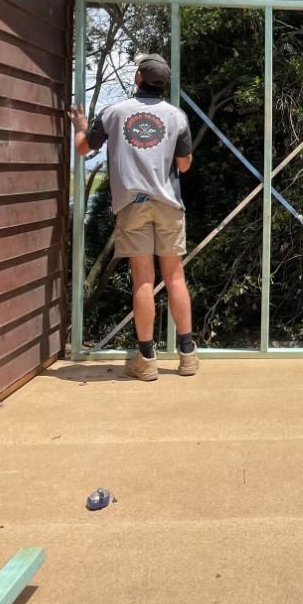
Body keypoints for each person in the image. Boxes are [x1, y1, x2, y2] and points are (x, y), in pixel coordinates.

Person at [69, 53, 199, 381]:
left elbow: (84, 148)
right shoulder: (176, 116)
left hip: (133, 205)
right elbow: (184, 165)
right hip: (169, 205)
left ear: (139, 78)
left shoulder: (115, 112)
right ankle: (187, 356)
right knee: (175, 278)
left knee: (143, 279)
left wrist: (80, 126)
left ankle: (146, 360)